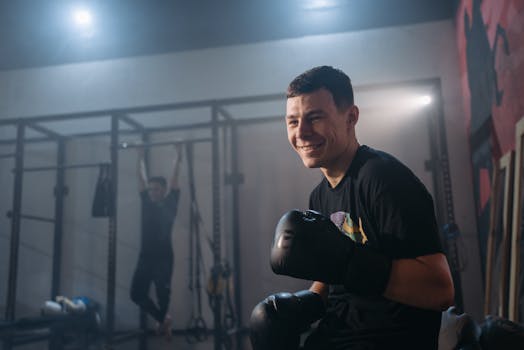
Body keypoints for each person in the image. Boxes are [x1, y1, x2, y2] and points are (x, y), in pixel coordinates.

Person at [250, 66, 455, 349]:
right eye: (293, 121)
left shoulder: (383, 180)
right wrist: (293, 309)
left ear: (351, 117)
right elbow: (329, 282)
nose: (302, 132)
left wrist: (351, 261)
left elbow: (440, 290)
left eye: (315, 118)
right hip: (335, 338)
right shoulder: (319, 197)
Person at [130, 144, 182, 341]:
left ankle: (163, 319)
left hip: (164, 257)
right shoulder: (146, 203)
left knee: (163, 294)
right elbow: (140, 178)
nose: (151, 192)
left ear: (163, 190)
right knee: (136, 294)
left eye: (156, 189)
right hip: (145, 256)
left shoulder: (171, 202)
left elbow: (175, 180)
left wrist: (179, 156)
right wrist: (140, 156)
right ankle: (163, 319)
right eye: (150, 189)